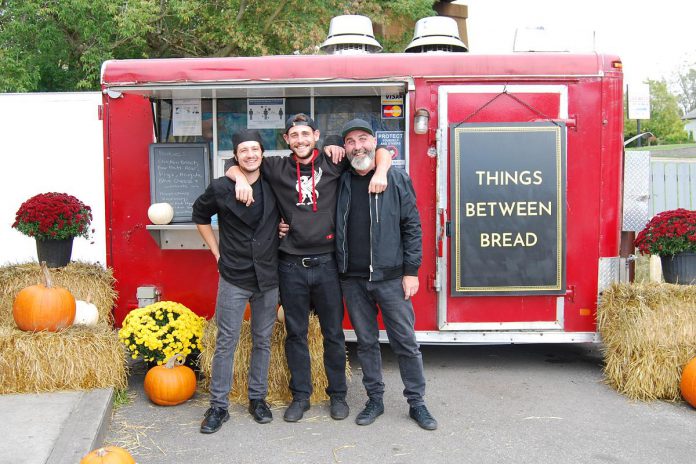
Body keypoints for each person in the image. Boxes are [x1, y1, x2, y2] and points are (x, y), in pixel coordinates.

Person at [225, 113, 391, 422]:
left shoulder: (335, 161)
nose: (300, 139)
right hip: (291, 266)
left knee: (333, 334)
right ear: (286, 140)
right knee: (296, 333)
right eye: (294, 135)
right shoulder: (275, 167)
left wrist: (378, 167)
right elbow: (234, 164)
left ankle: (337, 396)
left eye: (306, 133)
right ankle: (300, 396)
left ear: (315, 135)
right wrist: (236, 178)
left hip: (328, 265)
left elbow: (378, 151)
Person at [335, 118, 438, 431]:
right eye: (350, 141)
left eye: (363, 139)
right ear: (345, 148)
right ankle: (374, 399)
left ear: (374, 143)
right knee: (366, 343)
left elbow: (412, 226)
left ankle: (417, 403)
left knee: (405, 342)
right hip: (352, 279)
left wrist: (412, 271)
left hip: (392, 278)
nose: (357, 146)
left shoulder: (395, 178)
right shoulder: (339, 178)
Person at [192, 129, 280, 433]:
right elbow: (199, 216)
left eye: (255, 149)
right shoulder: (221, 187)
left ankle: (258, 399)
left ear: (262, 153)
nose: (251, 155)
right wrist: (216, 253)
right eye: (244, 150)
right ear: (236, 155)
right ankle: (218, 406)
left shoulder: (274, 184)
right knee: (226, 341)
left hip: (268, 275)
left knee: (262, 341)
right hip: (234, 275)